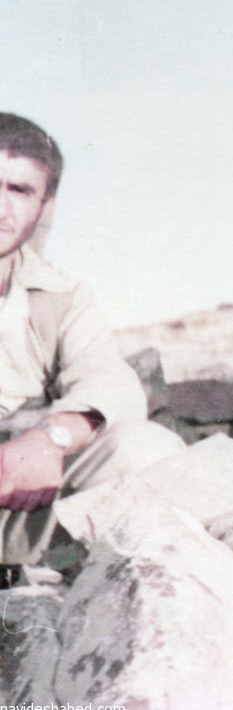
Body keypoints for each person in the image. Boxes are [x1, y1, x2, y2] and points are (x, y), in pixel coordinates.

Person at [0, 112, 185, 566]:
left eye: (19, 190)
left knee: (149, 450)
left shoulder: (61, 295)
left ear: (45, 204)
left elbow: (110, 381)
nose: (0, 207)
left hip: (15, 497)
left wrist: (51, 438)